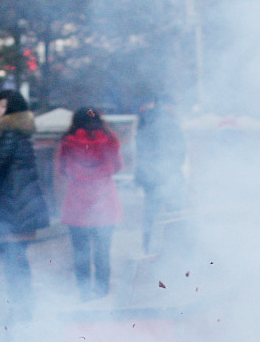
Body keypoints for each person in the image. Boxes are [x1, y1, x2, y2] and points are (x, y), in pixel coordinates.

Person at [0, 90, 49, 322]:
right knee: (17, 258)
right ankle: (23, 307)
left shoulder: (7, 132)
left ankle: (20, 310)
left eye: (3, 105)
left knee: (13, 259)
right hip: (21, 202)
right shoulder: (19, 132)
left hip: (13, 204)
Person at [57, 107, 123, 300]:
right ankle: (102, 290)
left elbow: (62, 168)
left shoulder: (68, 140)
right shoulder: (109, 138)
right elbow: (117, 166)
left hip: (77, 201)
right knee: (103, 250)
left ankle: (84, 291)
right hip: (104, 200)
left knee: (80, 251)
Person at [135, 95, 186, 255]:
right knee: (173, 214)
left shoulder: (144, 120)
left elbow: (139, 148)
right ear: (167, 104)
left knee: (150, 214)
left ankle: (147, 247)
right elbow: (180, 151)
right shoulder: (170, 122)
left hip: (149, 176)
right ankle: (172, 249)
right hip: (169, 175)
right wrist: (173, 170)